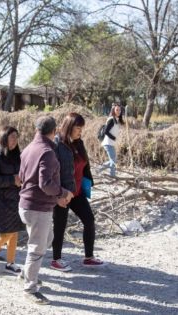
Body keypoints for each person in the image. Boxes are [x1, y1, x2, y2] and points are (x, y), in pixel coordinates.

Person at [18, 116, 73, 305]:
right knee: (37, 248)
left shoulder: (28, 148)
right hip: (38, 208)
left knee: (46, 239)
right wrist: (63, 193)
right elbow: (46, 184)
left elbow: (23, 176)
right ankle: (30, 288)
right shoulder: (47, 151)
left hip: (27, 205)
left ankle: (27, 272)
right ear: (53, 131)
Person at [51, 113, 104, 272]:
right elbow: (51, 170)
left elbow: (83, 165)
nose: (80, 131)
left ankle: (88, 257)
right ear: (69, 127)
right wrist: (57, 193)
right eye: (78, 128)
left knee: (89, 220)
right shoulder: (57, 144)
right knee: (59, 226)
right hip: (63, 192)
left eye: (82, 128)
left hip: (77, 191)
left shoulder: (78, 143)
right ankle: (56, 259)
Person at [0, 126, 24, 275]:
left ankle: (10, 263)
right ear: (4, 137)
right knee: (5, 232)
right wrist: (12, 180)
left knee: (14, 232)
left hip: (15, 199)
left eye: (16, 137)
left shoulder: (17, 155)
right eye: (12, 136)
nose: (14, 140)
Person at [100, 103, 124, 177]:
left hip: (111, 143)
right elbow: (106, 131)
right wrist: (113, 138)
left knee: (113, 160)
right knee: (113, 160)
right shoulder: (111, 120)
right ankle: (112, 175)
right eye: (117, 110)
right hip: (107, 142)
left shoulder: (116, 120)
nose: (119, 111)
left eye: (120, 110)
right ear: (113, 110)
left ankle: (99, 169)